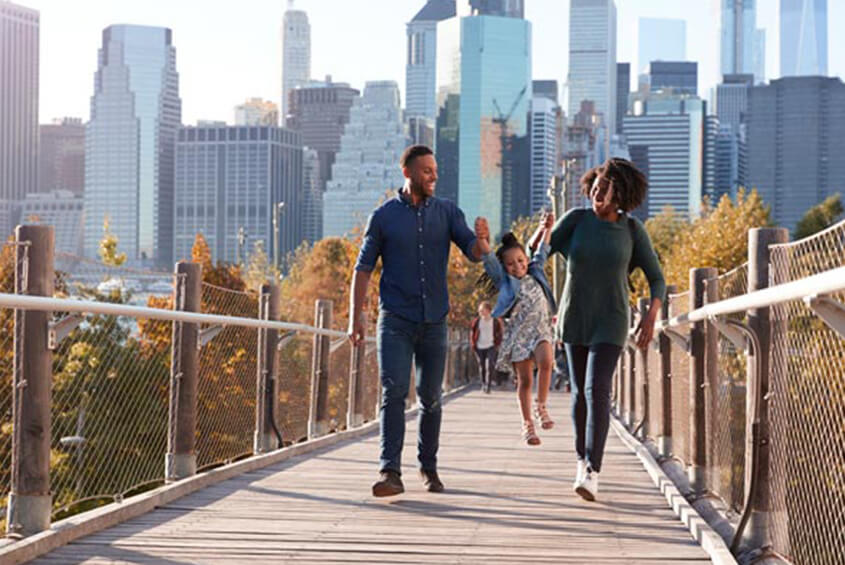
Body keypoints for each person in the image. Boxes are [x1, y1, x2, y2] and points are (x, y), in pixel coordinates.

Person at [348, 144, 488, 497]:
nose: (434, 176)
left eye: (435, 170)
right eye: (427, 170)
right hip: (395, 319)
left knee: (431, 398)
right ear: (407, 172)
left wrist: (483, 243)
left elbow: (471, 251)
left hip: (434, 321)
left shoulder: (448, 212)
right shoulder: (383, 217)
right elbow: (362, 270)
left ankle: (428, 467)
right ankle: (390, 472)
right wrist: (355, 319)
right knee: (393, 392)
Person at [549, 157, 666, 501]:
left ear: (620, 194)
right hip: (575, 317)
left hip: (612, 319)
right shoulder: (576, 221)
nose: (597, 192)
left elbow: (657, 279)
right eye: (595, 186)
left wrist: (651, 315)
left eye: (605, 188)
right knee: (579, 394)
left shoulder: (631, 231)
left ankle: (592, 470)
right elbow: (536, 254)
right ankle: (580, 458)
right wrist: (540, 235)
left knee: (596, 389)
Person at [477, 212, 557, 446]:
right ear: (504, 267)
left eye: (521, 261)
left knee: (546, 362)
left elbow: (542, 249)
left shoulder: (536, 271)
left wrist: (546, 228)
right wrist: (482, 238)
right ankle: (527, 425)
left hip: (541, 330)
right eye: (510, 264)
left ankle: (541, 406)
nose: (517, 266)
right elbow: (489, 259)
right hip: (519, 334)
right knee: (524, 382)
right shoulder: (505, 282)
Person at [470, 301, 503, 393]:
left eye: (483, 310)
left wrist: (497, 344)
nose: (481, 313)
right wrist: (473, 344)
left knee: (490, 365)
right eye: (480, 311)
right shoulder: (477, 321)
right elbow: (472, 333)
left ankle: (488, 386)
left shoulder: (495, 321)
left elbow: (499, 333)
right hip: (479, 346)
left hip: (491, 345)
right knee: (482, 365)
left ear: (488, 310)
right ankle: (483, 383)